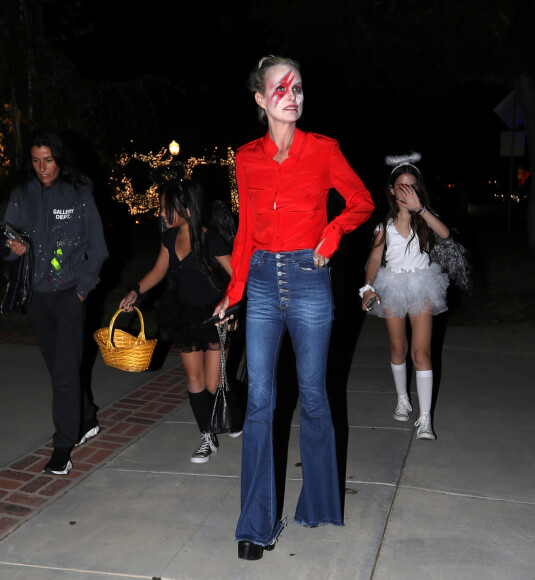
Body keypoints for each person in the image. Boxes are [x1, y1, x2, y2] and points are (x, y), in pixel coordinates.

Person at [213, 55, 374, 560]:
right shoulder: (245, 158)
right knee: (260, 402)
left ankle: (320, 502)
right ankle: (254, 524)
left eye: (299, 86)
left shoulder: (323, 151)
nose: (293, 95)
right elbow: (244, 233)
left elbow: (362, 201)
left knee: (314, 395)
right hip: (261, 281)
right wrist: (233, 292)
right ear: (261, 100)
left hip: (309, 281)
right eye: (280, 88)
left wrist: (331, 232)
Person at [3, 130, 109, 475]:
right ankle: (87, 416)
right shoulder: (22, 196)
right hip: (36, 298)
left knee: (63, 373)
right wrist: (12, 249)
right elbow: (6, 240)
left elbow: (98, 248)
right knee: (59, 369)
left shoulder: (79, 195)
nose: (42, 167)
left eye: (48, 160)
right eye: (35, 160)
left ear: (60, 160)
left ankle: (63, 445)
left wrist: (83, 288)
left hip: (68, 295)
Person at [119, 177, 238, 464]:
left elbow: (238, 275)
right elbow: (159, 271)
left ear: (185, 208)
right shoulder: (169, 238)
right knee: (194, 380)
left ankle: (233, 413)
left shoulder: (211, 238)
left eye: (165, 208)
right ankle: (207, 438)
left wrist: (231, 308)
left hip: (214, 317)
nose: (161, 213)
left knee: (215, 383)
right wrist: (136, 290)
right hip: (185, 315)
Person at [360, 153, 450, 441]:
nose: (406, 192)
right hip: (392, 287)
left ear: (418, 190)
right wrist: (367, 287)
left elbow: (445, 234)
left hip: (422, 286)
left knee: (421, 352)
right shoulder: (383, 225)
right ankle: (402, 398)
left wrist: (420, 209)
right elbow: (375, 259)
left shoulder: (425, 220)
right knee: (398, 349)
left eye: (412, 186)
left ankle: (425, 419)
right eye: (401, 186)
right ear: (391, 189)